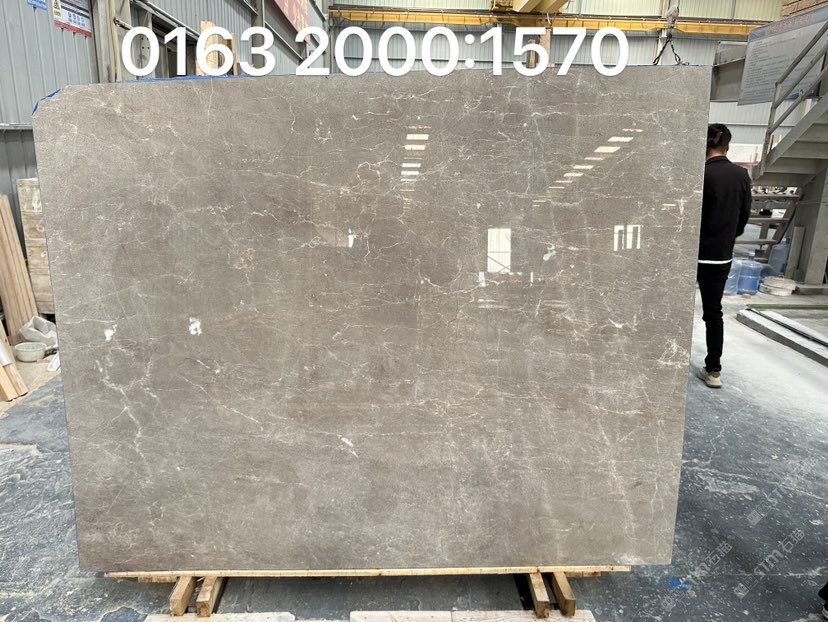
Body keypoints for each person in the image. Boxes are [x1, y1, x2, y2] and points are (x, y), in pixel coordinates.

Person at [696, 123, 751, 389]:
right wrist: (727, 238)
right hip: (719, 256)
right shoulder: (741, 175)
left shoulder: (699, 174)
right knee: (713, 312)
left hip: (690, 254)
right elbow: (744, 217)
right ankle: (713, 370)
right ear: (727, 147)